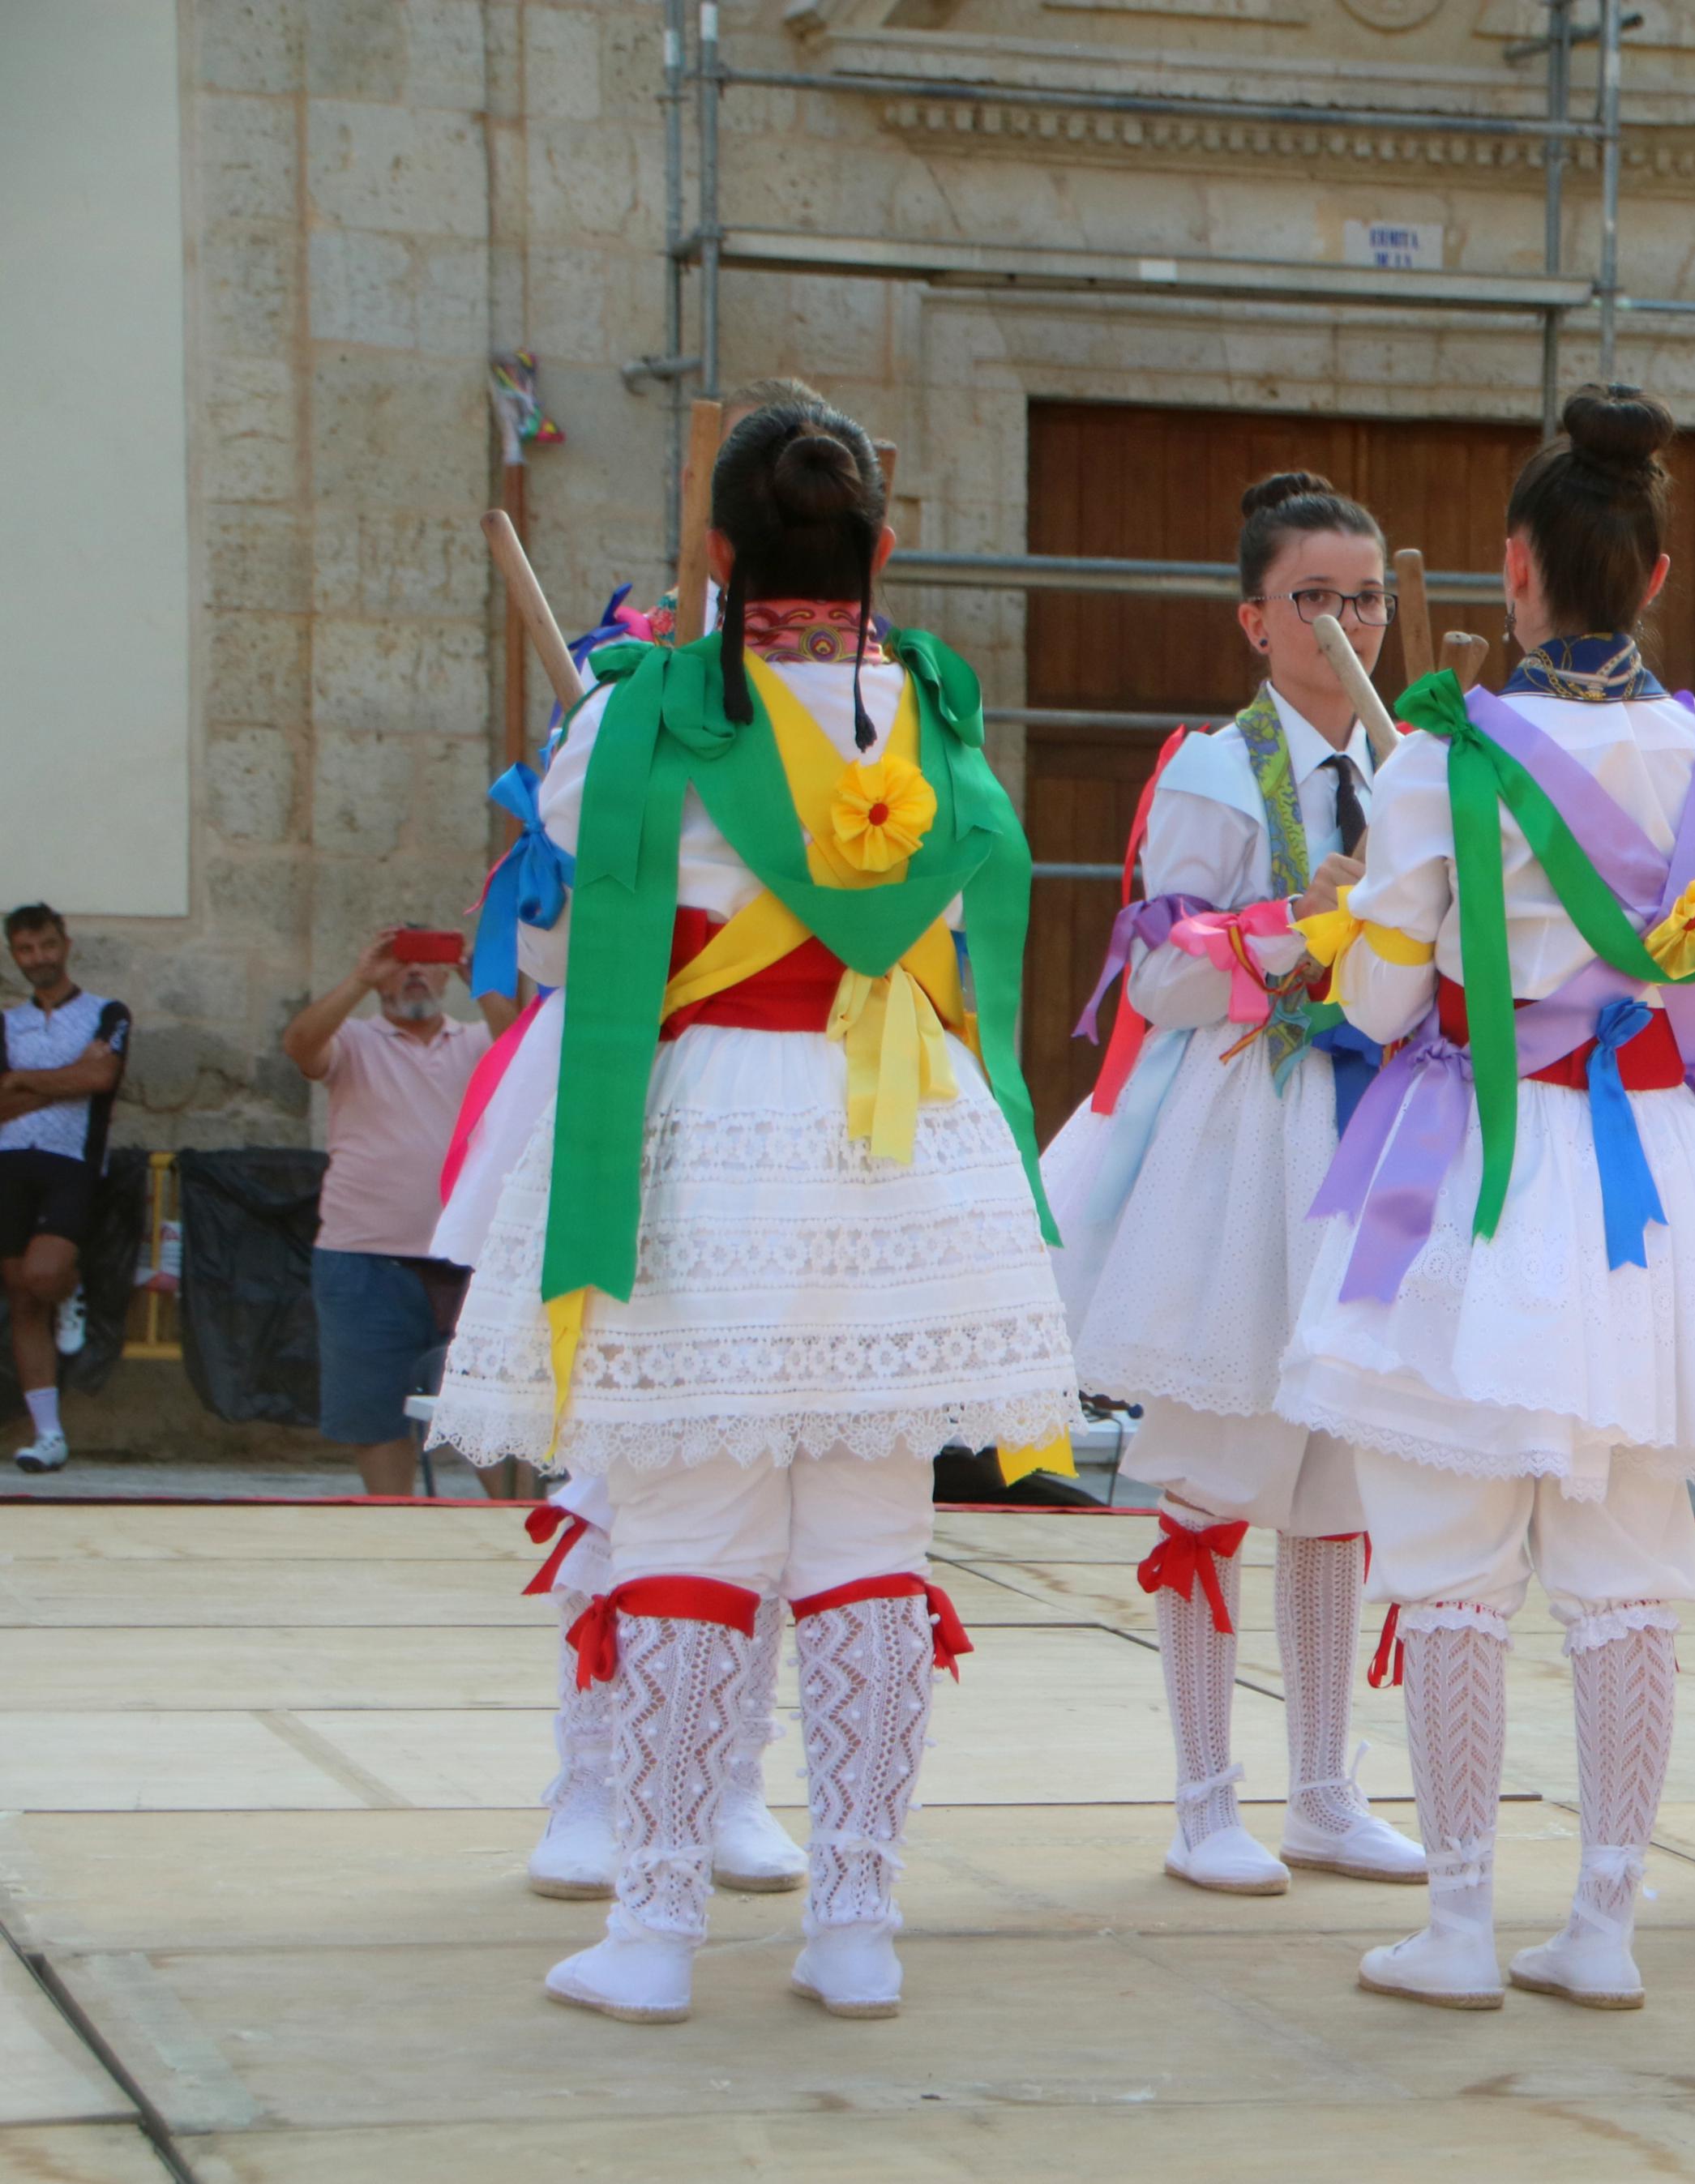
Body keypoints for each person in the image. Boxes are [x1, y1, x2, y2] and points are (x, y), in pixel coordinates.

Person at [425, 397, 1076, 2024]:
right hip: (900, 1145)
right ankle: (856, 1920)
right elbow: (975, 879)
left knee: (693, 1529)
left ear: (716, 557)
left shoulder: (647, 713)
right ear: (882, 552)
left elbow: (571, 834)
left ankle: (654, 1927)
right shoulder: (927, 711)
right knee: (868, 1534)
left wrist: (676, 683)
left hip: (716, 1130)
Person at [1278, 386, 1695, 2011]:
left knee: (1449, 1555)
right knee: (1626, 1558)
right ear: (1654, 575)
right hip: (1654, 1169)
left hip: (1477, 1159)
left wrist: (1342, 933)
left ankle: (1454, 1920)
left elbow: (1378, 1010)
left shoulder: (1442, 759)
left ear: (1513, 570)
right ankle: (1602, 1923)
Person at [1037, 470, 1423, 1893]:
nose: (1342, 627)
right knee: (1212, 1471)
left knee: (1338, 1478)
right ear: (1253, 620)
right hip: (1246, 1136)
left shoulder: (1412, 772)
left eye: (1365, 599)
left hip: (1378, 1134)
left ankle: (1326, 1788)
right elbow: (1156, 977)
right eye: (1312, 600)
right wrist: (1291, 928)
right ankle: (1205, 1799)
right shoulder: (1211, 769)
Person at [280, 928, 499, 1496]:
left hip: (466, 1259)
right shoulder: (351, 1041)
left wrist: (485, 981)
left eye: (426, 962)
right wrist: (359, 977)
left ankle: (513, 1531)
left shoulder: (478, 1039)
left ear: (447, 974)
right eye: (400, 964)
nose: (414, 974)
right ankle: (394, 1530)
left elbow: (527, 1049)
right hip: (362, 1259)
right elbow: (299, 1044)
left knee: (492, 1413)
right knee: (374, 1419)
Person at [2, 904, 130, 1474]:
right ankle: (48, 1435)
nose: (39, 958)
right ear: (14, 955)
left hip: (70, 1162)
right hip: (7, 1163)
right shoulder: (7, 1023)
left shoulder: (107, 1012)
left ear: (66, 943)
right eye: (26, 950)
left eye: (47, 945)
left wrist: (23, 1079)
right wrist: (65, 1078)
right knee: (22, 1300)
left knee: (43, 1275)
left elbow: (101, 1078)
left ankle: (71, 1289)